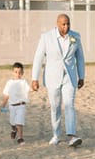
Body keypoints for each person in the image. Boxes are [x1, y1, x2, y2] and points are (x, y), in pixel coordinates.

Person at [31, 13, 85, 147]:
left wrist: (81, 76)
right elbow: (38, 58)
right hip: (52, 77)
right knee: (55, 107)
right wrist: (34, 78)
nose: (66, 27)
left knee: (69, 105)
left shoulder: (75, 36)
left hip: (70, 77)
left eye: (68, 24)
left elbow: (80, 58)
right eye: (63, 24)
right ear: (57, 24)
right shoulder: (46, 37)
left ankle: (72, 136)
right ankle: (56, 134)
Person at [1, 62, 29, 144]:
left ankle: (20, 137)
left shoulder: (24, 82)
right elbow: (6, 95)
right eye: (16, 72)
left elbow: (28, 89)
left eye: (20, 72)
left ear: (22, 73)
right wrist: (3, 104)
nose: (18, 74)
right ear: (13, 72)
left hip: (21, 105)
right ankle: (14, 129)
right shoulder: (9, 83)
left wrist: (34, 88)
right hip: (12, 106)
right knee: (12, 122)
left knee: (19, 122)